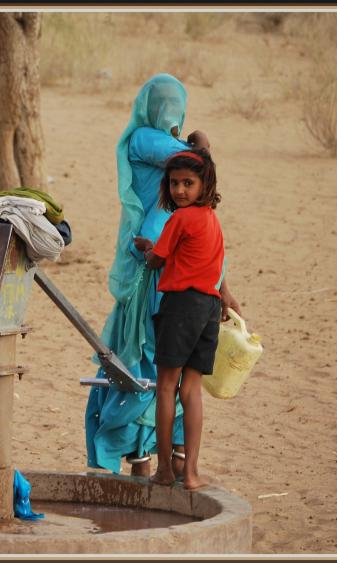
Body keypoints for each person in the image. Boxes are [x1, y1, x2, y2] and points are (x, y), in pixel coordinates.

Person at [85, 74, 241, 479]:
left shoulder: (190, 208)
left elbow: (198, 172)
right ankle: (141, 456)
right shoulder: (142, 140)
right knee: (140, 363)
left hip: (175, 274)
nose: (169, 112)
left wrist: (223, 288)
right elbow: (199, 161)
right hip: (149, 276)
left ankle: (166, 460)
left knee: (162, 370)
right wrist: (200, 143)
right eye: (165, 104)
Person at [138, 148, 223, 490]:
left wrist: (146, 248)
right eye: (174, 184)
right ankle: (191, 473)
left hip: (182, 306)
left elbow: (156, 260)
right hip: (209, 308)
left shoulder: (181, 219)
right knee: (191, 391)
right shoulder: (211, 219)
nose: (180, 191)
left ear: (205, 184)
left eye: (188, 183)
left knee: (166, 387)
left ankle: (163, 470)